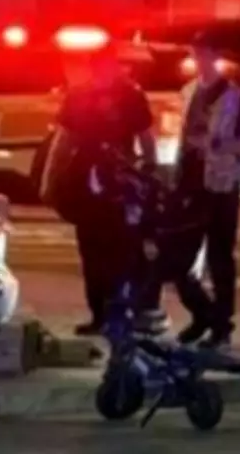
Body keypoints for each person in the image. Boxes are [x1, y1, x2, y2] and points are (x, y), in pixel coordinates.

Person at [41, 45, 159, 336]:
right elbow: (64, 139)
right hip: (88, 181)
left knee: (124, 250)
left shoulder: (129, 95)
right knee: (92, 250)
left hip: (120, 181)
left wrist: (148, 172)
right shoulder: (81, 96)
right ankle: (101, 314)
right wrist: (50, 178)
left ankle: (126, 311)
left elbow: (146, 137)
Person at [169, 33, 240, 348]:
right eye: (194, 53)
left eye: (203, 53)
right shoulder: (189, 91)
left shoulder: (234, 97)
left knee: (220, 257)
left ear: (214, 55)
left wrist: (219, 145)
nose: (198, 59)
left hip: (221, 186)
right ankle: (203, 314)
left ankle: (221, 325)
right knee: (177, 258)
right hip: (189, 184)